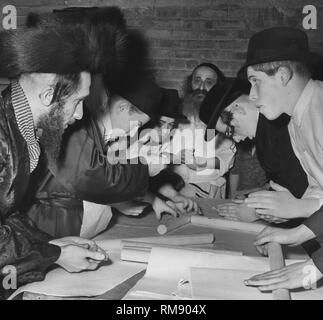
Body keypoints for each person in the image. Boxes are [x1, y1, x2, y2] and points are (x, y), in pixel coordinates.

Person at [0, 25, 126, 297]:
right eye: (78, 101)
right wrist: (54, 254)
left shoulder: (18, 128)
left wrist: (50, 242)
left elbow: (6, 215)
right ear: (48, 96)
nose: (80, 114)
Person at [233, 27, 323, 291]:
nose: (251, 95)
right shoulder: (297, 117)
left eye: (255, 81)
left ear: (283, 75)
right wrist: (298, 232)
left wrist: (315, 267)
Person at [205, 78, 308, 223]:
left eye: (231, 131)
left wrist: (257, 211)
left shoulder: (283, 125)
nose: (237, 139)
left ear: (238, 109)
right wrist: (254, 202)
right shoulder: (265, 134)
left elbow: (303, 190)